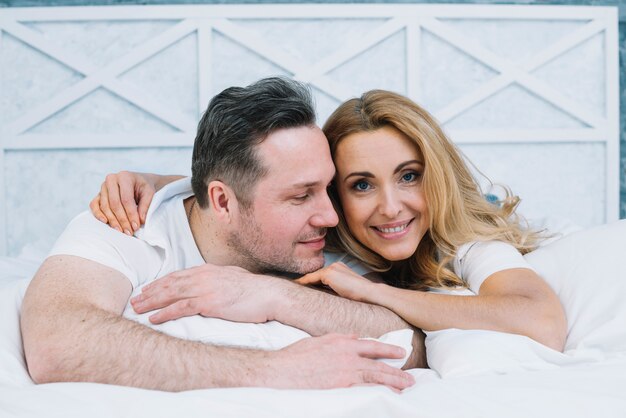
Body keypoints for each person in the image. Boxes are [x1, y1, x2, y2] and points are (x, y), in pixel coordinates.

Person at [20, 78, 420, 393]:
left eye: (327, 187)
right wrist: (276, 370)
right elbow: (56, 342)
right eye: (301, 195)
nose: (331, 215)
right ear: (223, 202)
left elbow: (410, 344)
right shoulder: (129, 220)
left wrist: (273, 294)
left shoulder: (323, 234)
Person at [95, 90, 567, 352]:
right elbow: (256, 191)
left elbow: (540, 320)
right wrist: (152, 180)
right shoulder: (330, 223)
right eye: (361, 184)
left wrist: (376, 293)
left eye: (409, 176)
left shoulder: (460, 237)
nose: (390, 207)